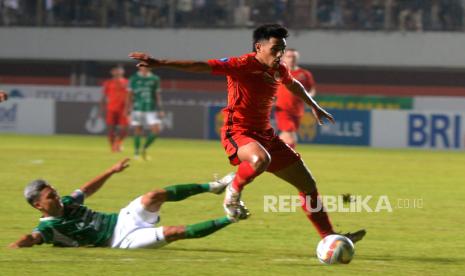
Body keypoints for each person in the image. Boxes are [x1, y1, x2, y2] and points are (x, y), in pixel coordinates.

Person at [129, 24, 365, 243]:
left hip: (266, 136)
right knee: (260, 159)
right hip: (238, 131)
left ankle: (329, 237)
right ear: (259, 47)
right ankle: (233, 190)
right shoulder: (241, 64)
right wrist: (160, 63)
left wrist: (314, 105)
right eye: (275, 49)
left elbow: (293, 84)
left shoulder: (279, 68)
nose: (280, 54)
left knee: (307, 184)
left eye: (282, 49)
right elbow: (201, 65)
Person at [9, 158, 248, 249]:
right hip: (120, 241)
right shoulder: (47, 228)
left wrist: (111, 171)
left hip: (123, 218)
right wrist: (10, 251)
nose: (57, 197)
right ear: (38, 206)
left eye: (55, 192)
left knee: (154, 194)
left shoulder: (68, 202)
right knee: (175, 232)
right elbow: (30, 239)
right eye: (51, 197)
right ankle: (231, 217)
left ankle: (213, 187)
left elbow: (87, 188)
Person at [275, 48, 316, 149]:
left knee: (287, 135)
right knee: (289, 136)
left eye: (294, 57)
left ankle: (277, 154)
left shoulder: (305, 74)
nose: (291, 59)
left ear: (297, 58)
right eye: (289, 56)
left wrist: (308, 96)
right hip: (283, 109)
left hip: (298, 110)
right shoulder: (278, 72)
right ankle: (288, 157)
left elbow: (312, 90)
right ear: (284, 58)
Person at [128, 66, 164, 160]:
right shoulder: (134, 78)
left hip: (150, 109)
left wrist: (160, 109)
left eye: (147, 66)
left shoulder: (155, 78)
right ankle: (136, 152)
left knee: (156, 129)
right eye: (142, 66)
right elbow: (129, 94)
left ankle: (144, 148)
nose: (145, 68)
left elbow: (157, 95)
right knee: (138, 130)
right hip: (137, 108)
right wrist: (127, 108)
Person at [100, 65, 129, 152]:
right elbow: (103, 97)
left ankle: (119, 143)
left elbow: (131, 96)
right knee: (111, 129)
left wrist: (130, 107)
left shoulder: (127, 82)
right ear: (112, 72)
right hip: (111, 109)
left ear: (122, 72)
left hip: (123, 109)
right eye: (115, 70)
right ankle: (113, 147)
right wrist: (102, 109)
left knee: (125, 129)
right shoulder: (108, 83)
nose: (117, 72)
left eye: (119, 70)